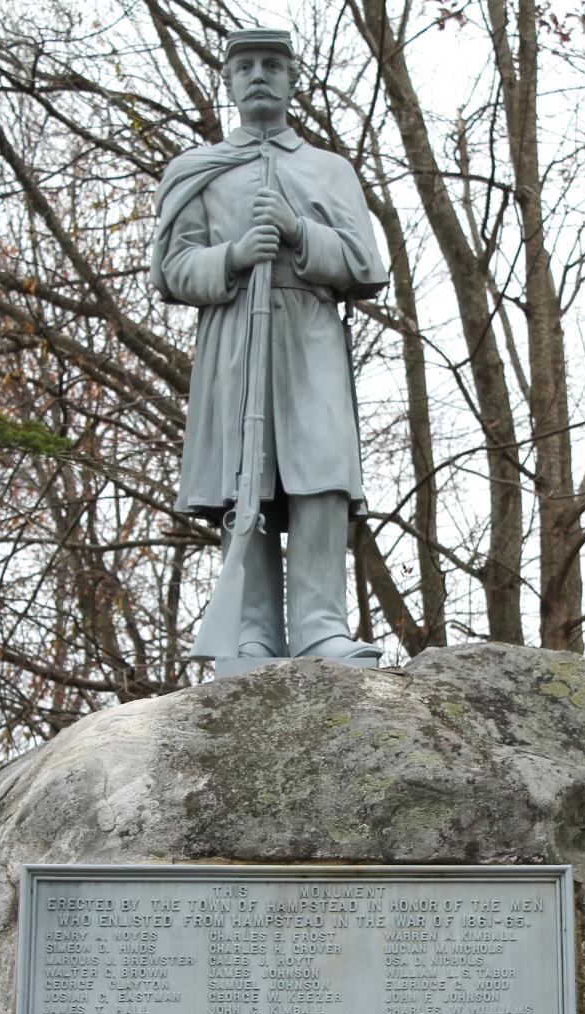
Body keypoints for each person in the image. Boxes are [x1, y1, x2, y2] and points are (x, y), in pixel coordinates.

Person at [151, 28, 389, 662]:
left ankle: (320, 626)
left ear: (291, 80)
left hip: (309, 330)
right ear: (228, 82)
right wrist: (231, 255)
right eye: (246, 66)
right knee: (242, 475)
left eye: (273, 66)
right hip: (235, 334)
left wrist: (298, 232)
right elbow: (171, 270)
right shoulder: (195, 173)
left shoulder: (327, 169)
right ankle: (253, 629)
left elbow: (367, 265)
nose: (259, 75)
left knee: (321, 472)